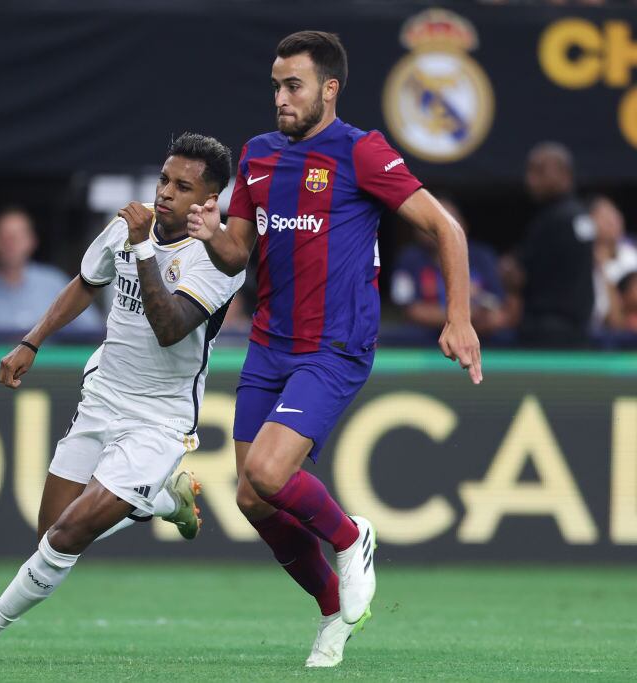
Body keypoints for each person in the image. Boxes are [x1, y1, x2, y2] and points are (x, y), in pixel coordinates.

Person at [186, 31, 482, 668]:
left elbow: (445, 229)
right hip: (269, 345)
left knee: (269, 473)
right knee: (250, 497)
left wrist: (459, 319)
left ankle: (353, 540)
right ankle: (332, 615)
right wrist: (213, 234)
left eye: (293, 86)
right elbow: (238, 253)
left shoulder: (362, 152)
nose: (281, 98)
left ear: (329, 89)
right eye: (275, 86)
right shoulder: (258, 156)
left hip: (335, 345)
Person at [0, 133, 245, 662]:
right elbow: (86, 281)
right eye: (163, 179)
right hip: (104, 395)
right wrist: (31, 341)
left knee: (67, 536)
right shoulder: (128, 227)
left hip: (159, 417)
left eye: (182, 186)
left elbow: (171, 327)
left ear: (209, 201)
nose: (165, 194)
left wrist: (142, 246)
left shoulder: (220, 261)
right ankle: (163, 499)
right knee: (50, 537)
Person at [506, 142, 595, 346]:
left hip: (546, 331)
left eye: (539, 171)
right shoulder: (580, 215)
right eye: (529, 171)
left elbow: (518, 276)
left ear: (564, 173)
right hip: (578, 329)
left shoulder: (555, 219)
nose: (530, 180)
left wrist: (508, 271)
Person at [390, 197, 514, 339]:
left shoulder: (482, 257)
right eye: (432, 220)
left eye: (447, 220)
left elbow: (501, 310)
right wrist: (463, 318)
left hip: (480, 333)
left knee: (505, 336)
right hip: (428, 336)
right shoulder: (409, 259)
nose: (440, 227)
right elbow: (410, 310)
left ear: (463, 225)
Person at [0, 207, 103, 331]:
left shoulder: (54, 283)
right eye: (4, 237)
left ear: (32, 241)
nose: (10, 244)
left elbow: (94, 330)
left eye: (17, 237)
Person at [590, 195, 637, 332]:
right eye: (604, 217)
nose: (612, 221)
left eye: (615, 214)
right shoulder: (580, 259)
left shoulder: (632, 253)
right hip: (594, 337)